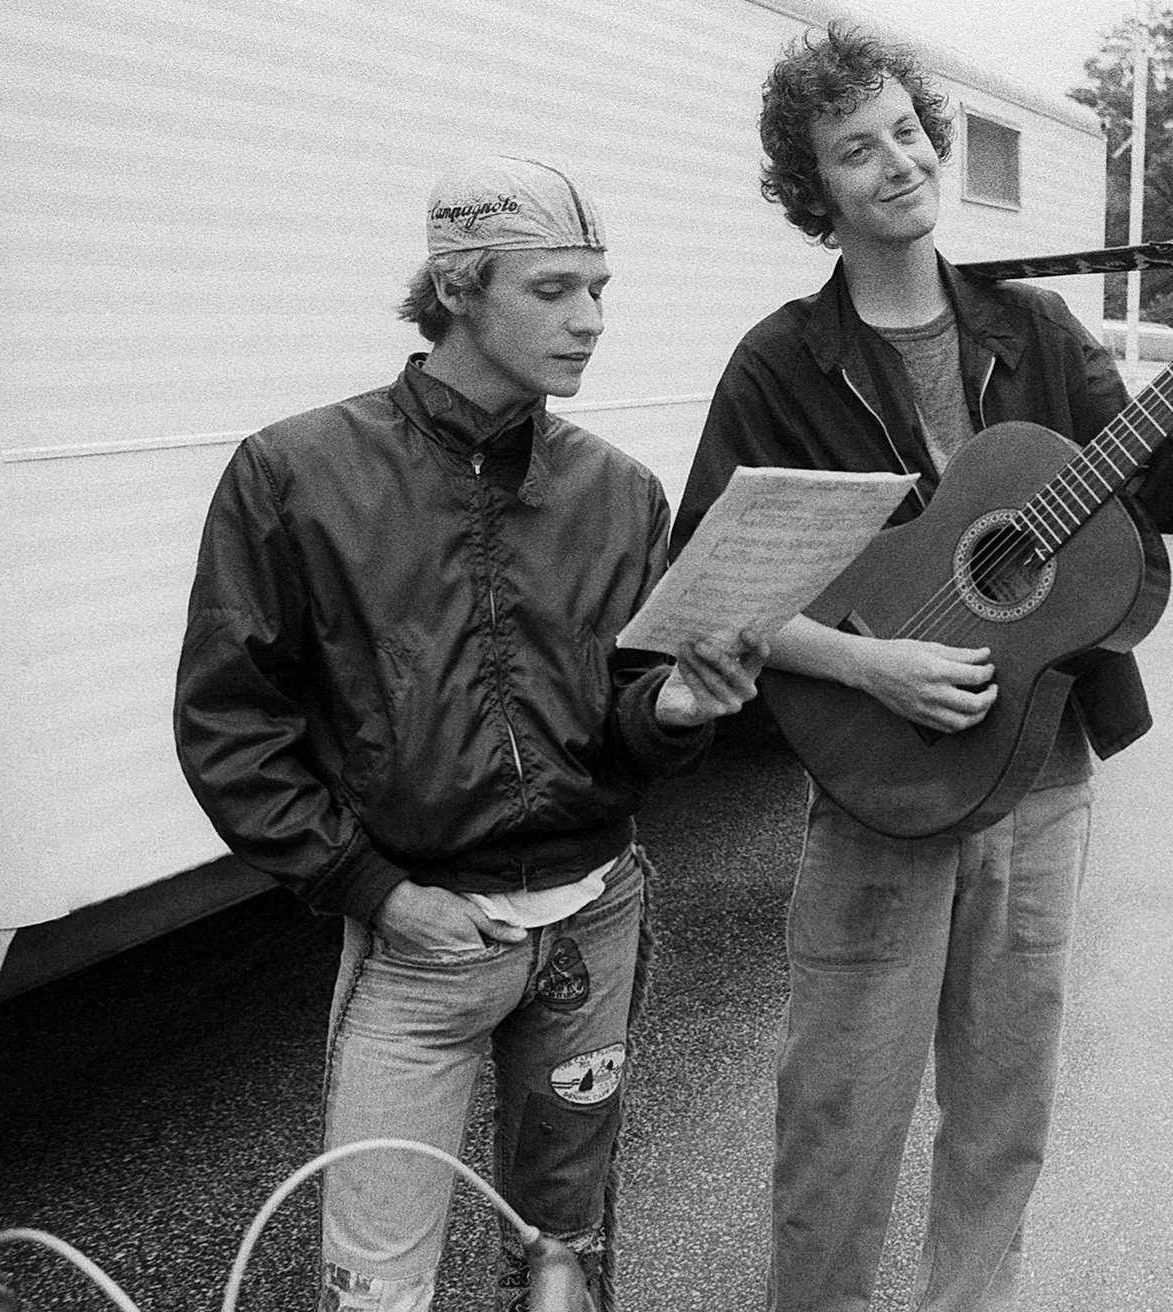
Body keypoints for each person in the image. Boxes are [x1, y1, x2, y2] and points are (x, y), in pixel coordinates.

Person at [672, 26, 1173, 1312]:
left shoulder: (1030, 328)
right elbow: (716, 584)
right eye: (855, 150)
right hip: (879, 787)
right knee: (841, 1111)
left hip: (1040, 772)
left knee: (1004, 1106)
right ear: (814, 192)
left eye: (906, 132)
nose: (898, 162)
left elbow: (1167, 495)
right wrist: (872, 668)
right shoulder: (781, 362)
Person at [173, 156, 767, 1312]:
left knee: (564, 1255)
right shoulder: (295, 473)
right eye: (552, 289)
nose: (590, 319)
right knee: (375, 1288)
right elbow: (229, 723)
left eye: (599, 288)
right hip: (419, 943)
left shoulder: (618, 492)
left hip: (594, 917)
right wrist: (374, 891)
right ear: (454, 287)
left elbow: (624, 717)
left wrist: (678, 710)